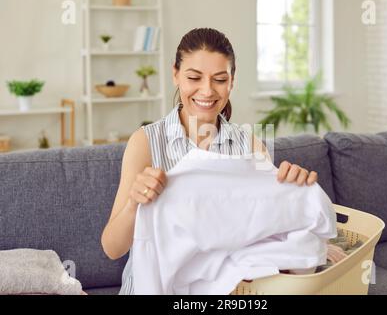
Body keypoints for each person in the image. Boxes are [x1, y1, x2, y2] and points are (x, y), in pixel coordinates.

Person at [101, 28, 318, 294]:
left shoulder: (250, 145)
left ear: (232, 81)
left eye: (219, 79)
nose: (207, 90)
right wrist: (135, 202)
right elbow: (112, 248)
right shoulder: (146, 142)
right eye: (194, 77)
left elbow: (267, 236)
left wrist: (292, 190)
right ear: (176, 74)